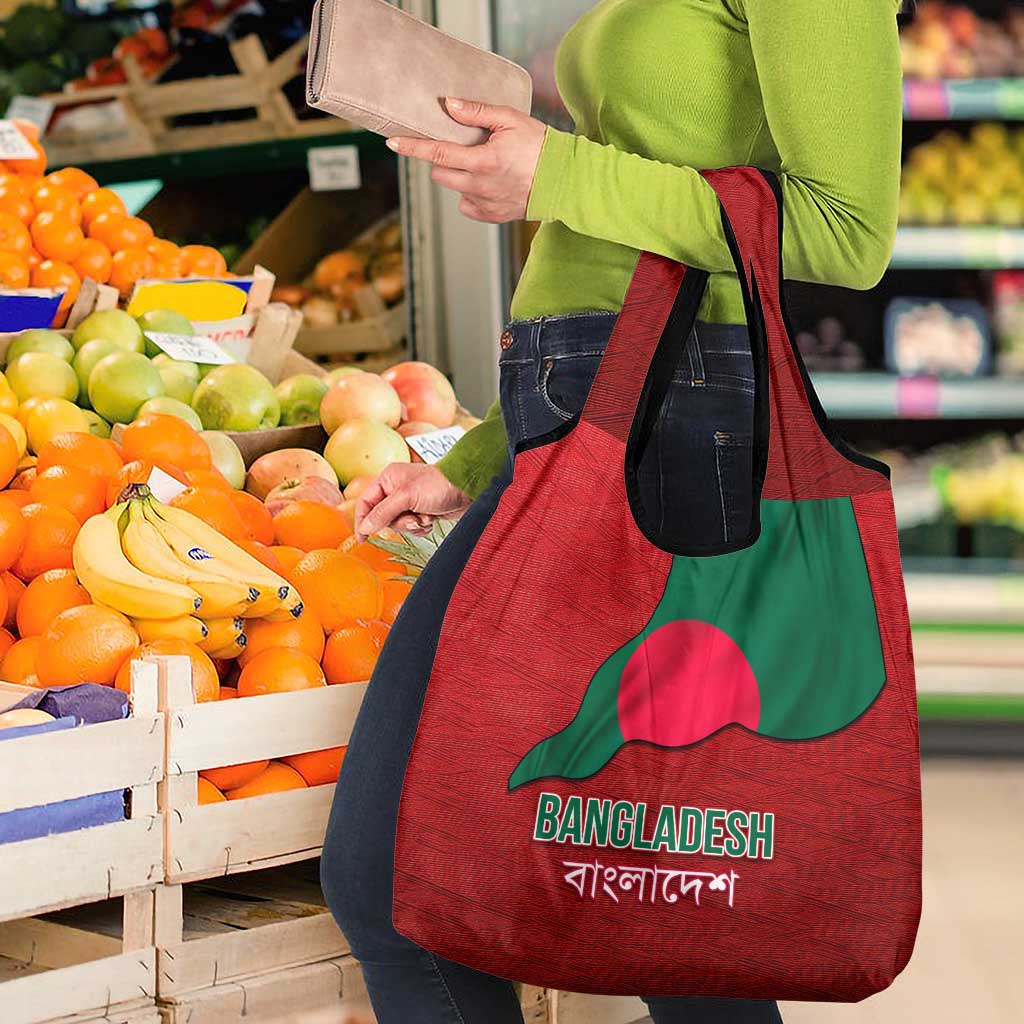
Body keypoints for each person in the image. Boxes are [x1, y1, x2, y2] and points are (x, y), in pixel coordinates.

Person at [321, 2, 905, 1021]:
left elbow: (847, 229)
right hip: (592, 421)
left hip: (674, 437)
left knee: (428, 877)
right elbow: (622, 247)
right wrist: (479, 457)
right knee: (650, 902)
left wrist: (556, 172)